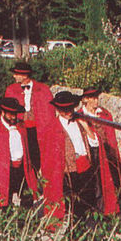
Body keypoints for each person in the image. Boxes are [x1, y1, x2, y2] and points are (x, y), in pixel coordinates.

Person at [40, 91, 99, 225]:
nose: (68, 112)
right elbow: (49, 156)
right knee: (74, 206)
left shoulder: (80, 121)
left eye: (70, 108)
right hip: (69, 172)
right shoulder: (51, 128)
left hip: (86, 167)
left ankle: (84, 231)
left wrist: (85, 125)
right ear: (58, 109)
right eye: (64, 109)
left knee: (88, 202)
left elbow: (94, 142)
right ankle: (75, 236)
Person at [0, 97, 37, 211]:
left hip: (22, 169)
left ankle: (25, 225)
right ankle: (8, 226)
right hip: (5, 170)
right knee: (5, 201)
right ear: (3, 112)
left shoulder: (21, 126)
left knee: (27, 198)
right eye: (10, 114)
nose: (13, 117)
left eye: (15, 114)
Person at [4, 62, 54, 172]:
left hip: (38, 130)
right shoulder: (11, 90)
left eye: (16, 74)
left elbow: (49, 113)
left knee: (36, 157)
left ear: (24, 75)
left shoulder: (43, 89)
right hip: (19, 129)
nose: (14, 76)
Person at [78, 87, 120, 215]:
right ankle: (95, 210)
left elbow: (111, 136)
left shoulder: (104, 114)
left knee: (108, 182)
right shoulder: (80, 115)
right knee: (95, 182)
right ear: (85, 99)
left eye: (96, 97)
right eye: (91, 98)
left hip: (106, 152)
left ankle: (107, 211)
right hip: (91, 153)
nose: (95, 100)